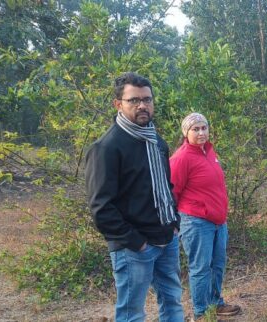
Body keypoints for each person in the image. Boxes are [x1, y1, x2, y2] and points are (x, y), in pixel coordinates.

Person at [85, 72, 184, 322]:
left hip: (166, 238)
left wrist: (174, 225)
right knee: (132, 314)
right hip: (134, 247)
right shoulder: (107, 147)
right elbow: (101, 208)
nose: (142, 105)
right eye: (134, 100)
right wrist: (136, 242)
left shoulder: (157, 142)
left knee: (172, 302)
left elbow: (166, 185)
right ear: (118, 104)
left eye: (147, 100)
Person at [170, 113, 241, 319]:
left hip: (218, 221)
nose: (201, 132)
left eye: (204, 128)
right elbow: (172, 193)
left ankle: (216, 303)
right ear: (186, 132)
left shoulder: (209, 152)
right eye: (195, 129)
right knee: (200, 268)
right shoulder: (181, 158)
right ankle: (201, 312)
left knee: (217, 264)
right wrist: (174, 223)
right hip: (196, 221)